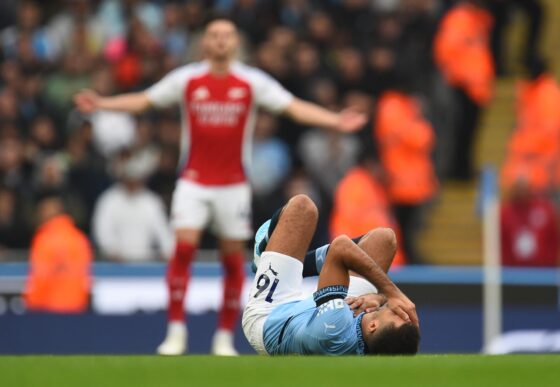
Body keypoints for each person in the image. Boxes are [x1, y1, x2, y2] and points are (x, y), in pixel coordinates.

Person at [74, 16, 366, 356]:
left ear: (235, 42)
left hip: (233, 185)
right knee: (182, 252)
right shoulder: (187, 78)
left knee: (231, 259)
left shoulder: (250, 81)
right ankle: (176, 331)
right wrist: (102, 103)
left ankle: (224, 337)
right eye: (214, 35)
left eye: (227, 35)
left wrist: (335, 120)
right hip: (193, 181)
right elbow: (145, 100)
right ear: (205, 42)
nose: (221, 41)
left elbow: (293, 107)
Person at [243, 194, 420, 355]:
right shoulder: (369, 331)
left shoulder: (335, 326)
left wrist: (392, 293)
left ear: (373, 326)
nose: (400, 312)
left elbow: (340, 247)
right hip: (327, 315)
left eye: (396, 316)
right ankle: (293, 264)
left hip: (270, 318)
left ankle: (266, 257)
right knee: (384, 240)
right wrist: (379, 298)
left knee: (303, 207)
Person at [92, 151, 173, 263]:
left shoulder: (151, 202)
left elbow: (163, 231)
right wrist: (111, 249)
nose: (134, 182)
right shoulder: (109, 200)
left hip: (145, 264)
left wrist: (168, 251)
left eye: (136, 177)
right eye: (130, 177)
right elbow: (102, 230)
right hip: (116, 265)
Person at [24, 191, 92, 313]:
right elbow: (86, 278)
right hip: (76, 309)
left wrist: (31, 305)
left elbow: (40, 277)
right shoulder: (79, 238)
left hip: (47, 309)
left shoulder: (44, 239)